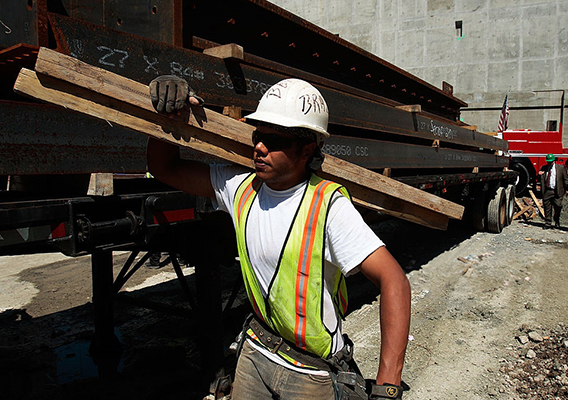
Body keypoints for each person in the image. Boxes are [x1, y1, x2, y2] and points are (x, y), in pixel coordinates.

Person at [147, 76, 411, 400]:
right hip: (256, 351)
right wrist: (166, 116)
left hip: (311, 372)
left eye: (274, 141)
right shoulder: (240, 188)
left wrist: (387, 385)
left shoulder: (327, 207)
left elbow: (394, 280)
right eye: (258, 135)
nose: (259, 146)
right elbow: (165, 168)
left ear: (306, 150)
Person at [538, 153, 568, 229]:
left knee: (558, 206)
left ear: (554, 161)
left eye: (550, 162)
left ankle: (556, 220)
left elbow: (565, 179)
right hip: (547, 190)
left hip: (557, 190)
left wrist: (567, 189)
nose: (549, 163)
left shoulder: (561, 168)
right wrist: (539, 175)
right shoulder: (544, 168)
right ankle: (548, 222)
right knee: (547, 207)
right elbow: (539, 180)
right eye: (548, 162)